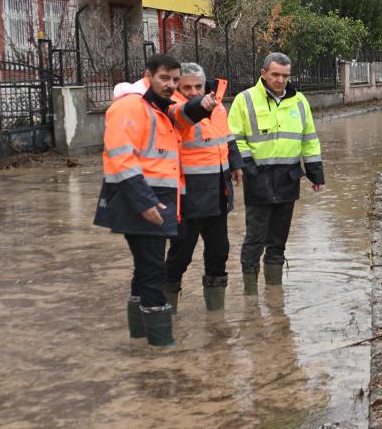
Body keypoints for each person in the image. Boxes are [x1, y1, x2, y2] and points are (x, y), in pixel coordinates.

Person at [94, 53, 217, 347]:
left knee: (145, 267)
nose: (170, 85)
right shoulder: (130, 107)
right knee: (153, 271)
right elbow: (121, 157)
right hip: (139, 200)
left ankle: (140, 340)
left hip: (153, 199)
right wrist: (145, 201)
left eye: (175, 80)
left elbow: (180, 117)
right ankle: (162, 347)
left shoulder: (159, 108)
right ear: (148, 76)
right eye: (164, 78)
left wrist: (201, 107)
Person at [228, 52, 324, 295]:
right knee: (255, 238)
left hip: (288, 178)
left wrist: (315, 173)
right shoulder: (245, 99)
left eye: (285, 75)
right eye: (275, 75)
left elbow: (309, 139)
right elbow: (235, 137)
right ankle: (251, 296)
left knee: (278, 239)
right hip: (258, 177)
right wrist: (248, 167)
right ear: (263, 73)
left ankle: (274, 294)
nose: (280, 80)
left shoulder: (299, 101)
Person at [163, 64, 242, 312]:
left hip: (218, 191)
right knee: (180, 255)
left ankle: (216, 315)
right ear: (178, 87)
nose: (193, 92)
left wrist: (236, 164)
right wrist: (199, 104)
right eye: (186, 87)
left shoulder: (217, 106)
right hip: (188, 197)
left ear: (205, 85)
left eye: (198, 86)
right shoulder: (171, 107)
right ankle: (164, 310)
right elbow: (185, 114)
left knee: (219, 251)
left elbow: (226, 137)